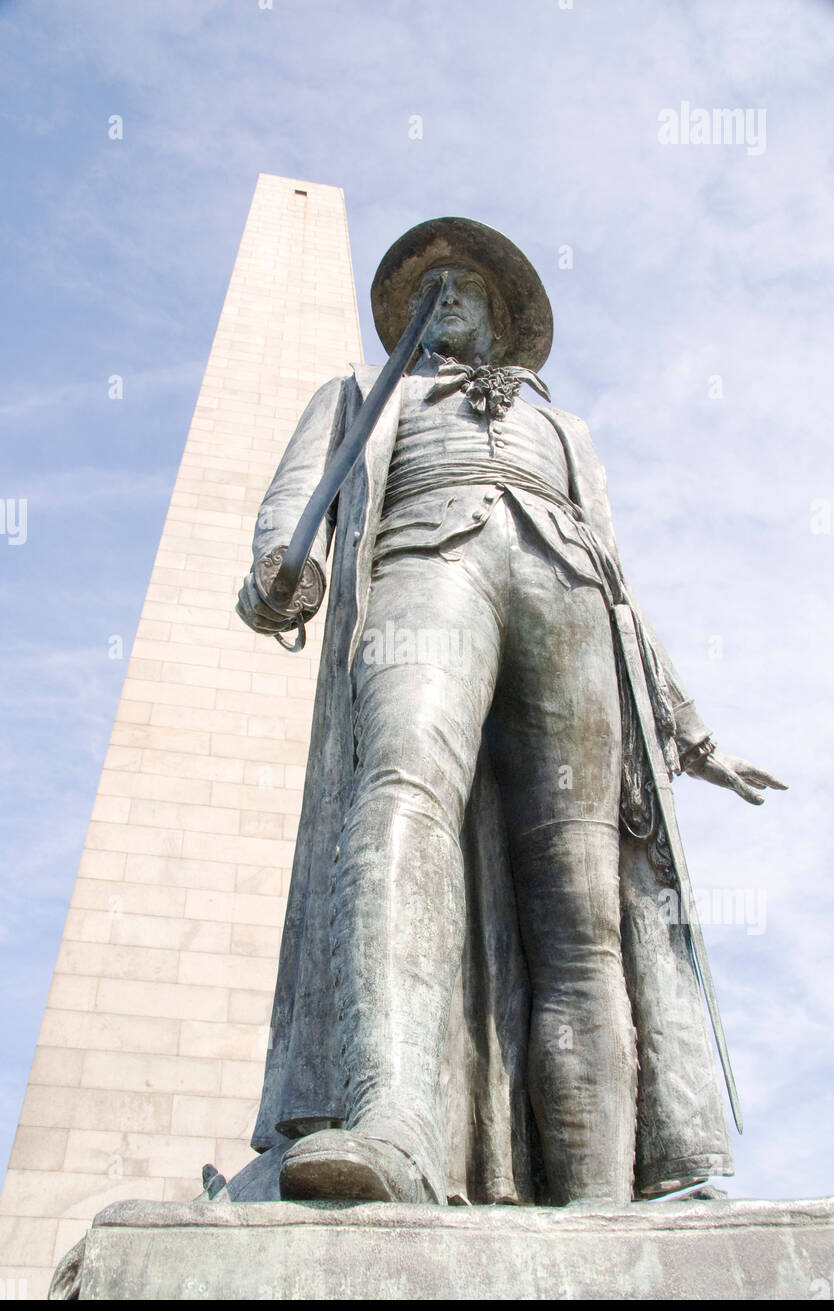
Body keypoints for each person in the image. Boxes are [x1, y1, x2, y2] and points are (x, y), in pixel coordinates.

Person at [236, 218, 784, 1207]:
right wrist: (282, 573)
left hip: (566, 594)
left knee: (581, 908)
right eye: (427, 287)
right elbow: (294, 507)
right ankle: (392, 1113)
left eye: (464, 284)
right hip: (426, 558)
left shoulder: (566, 429)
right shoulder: (362, 394)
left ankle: (598, 1190)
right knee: (401, 784)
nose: (444, 295)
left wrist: (688, 727)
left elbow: (619, 583)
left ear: (500, 313)